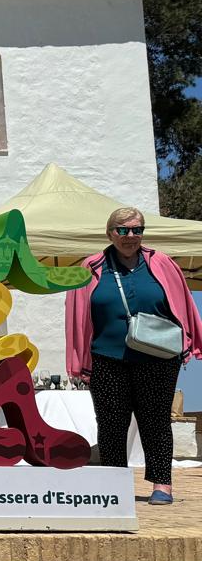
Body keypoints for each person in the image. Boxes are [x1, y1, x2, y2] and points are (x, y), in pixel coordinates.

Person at [65, 207, 202, 504]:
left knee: (155, 420)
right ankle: (114, 485)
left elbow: (182, 304)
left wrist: (189, 341)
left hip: (159, 356)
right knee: (112, 423)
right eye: (123, 230)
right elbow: (76, 318)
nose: (130, 236)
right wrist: (79, 360)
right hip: (107, 357)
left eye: (137, 230)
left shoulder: (162, 263)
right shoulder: (91, 267)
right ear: (109, 232)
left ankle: (162, 484)